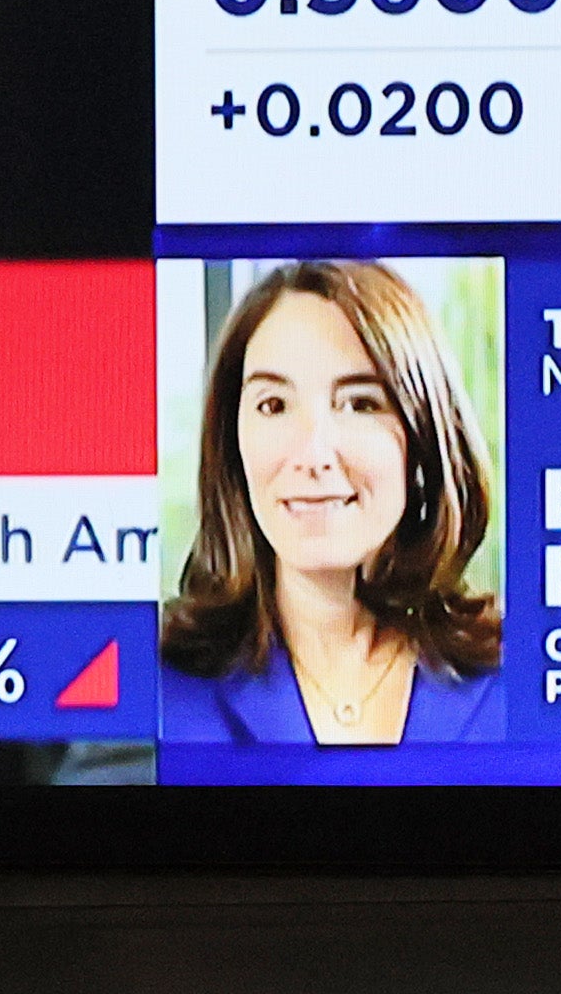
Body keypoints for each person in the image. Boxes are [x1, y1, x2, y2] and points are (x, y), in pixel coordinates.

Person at [158, 260, 509, 749]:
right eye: (274, 405)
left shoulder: (522, 681)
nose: (313, 454)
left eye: (360, 403)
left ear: (423, 437)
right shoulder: (153, 695)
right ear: (231, 443)